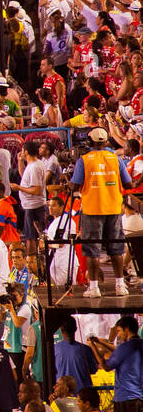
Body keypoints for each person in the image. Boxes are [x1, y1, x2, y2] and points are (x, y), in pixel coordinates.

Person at [70, 127, 133, 297]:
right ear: (106, 142)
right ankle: (120, 286)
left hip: (92, 210)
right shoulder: (116, 159)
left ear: (89, 142)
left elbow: (75, 185)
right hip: (113, 209)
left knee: (92, 250)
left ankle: (94, 288)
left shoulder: (84, 160)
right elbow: (129, 185)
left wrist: (68, 182)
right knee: (116, 248)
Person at [89, 315, 143, 412]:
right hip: (140, 397)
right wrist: (100, 342)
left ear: (126, 329)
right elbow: (119, 351)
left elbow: (106, 367)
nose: (119, 335)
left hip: (125, 398)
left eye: (119, 331)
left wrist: (93, 347)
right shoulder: (138, 345)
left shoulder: (124, 347)